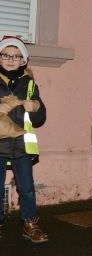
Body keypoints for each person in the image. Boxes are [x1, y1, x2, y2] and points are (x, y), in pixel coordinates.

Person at [0, 36, 47, 243]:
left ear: (23, 61)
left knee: (27, 187)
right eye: (6, 55)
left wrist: (36, 107)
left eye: (16, 56)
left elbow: (40, 115)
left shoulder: (29, 83)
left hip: (22, 144)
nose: (10, 59)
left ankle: (29, 223)